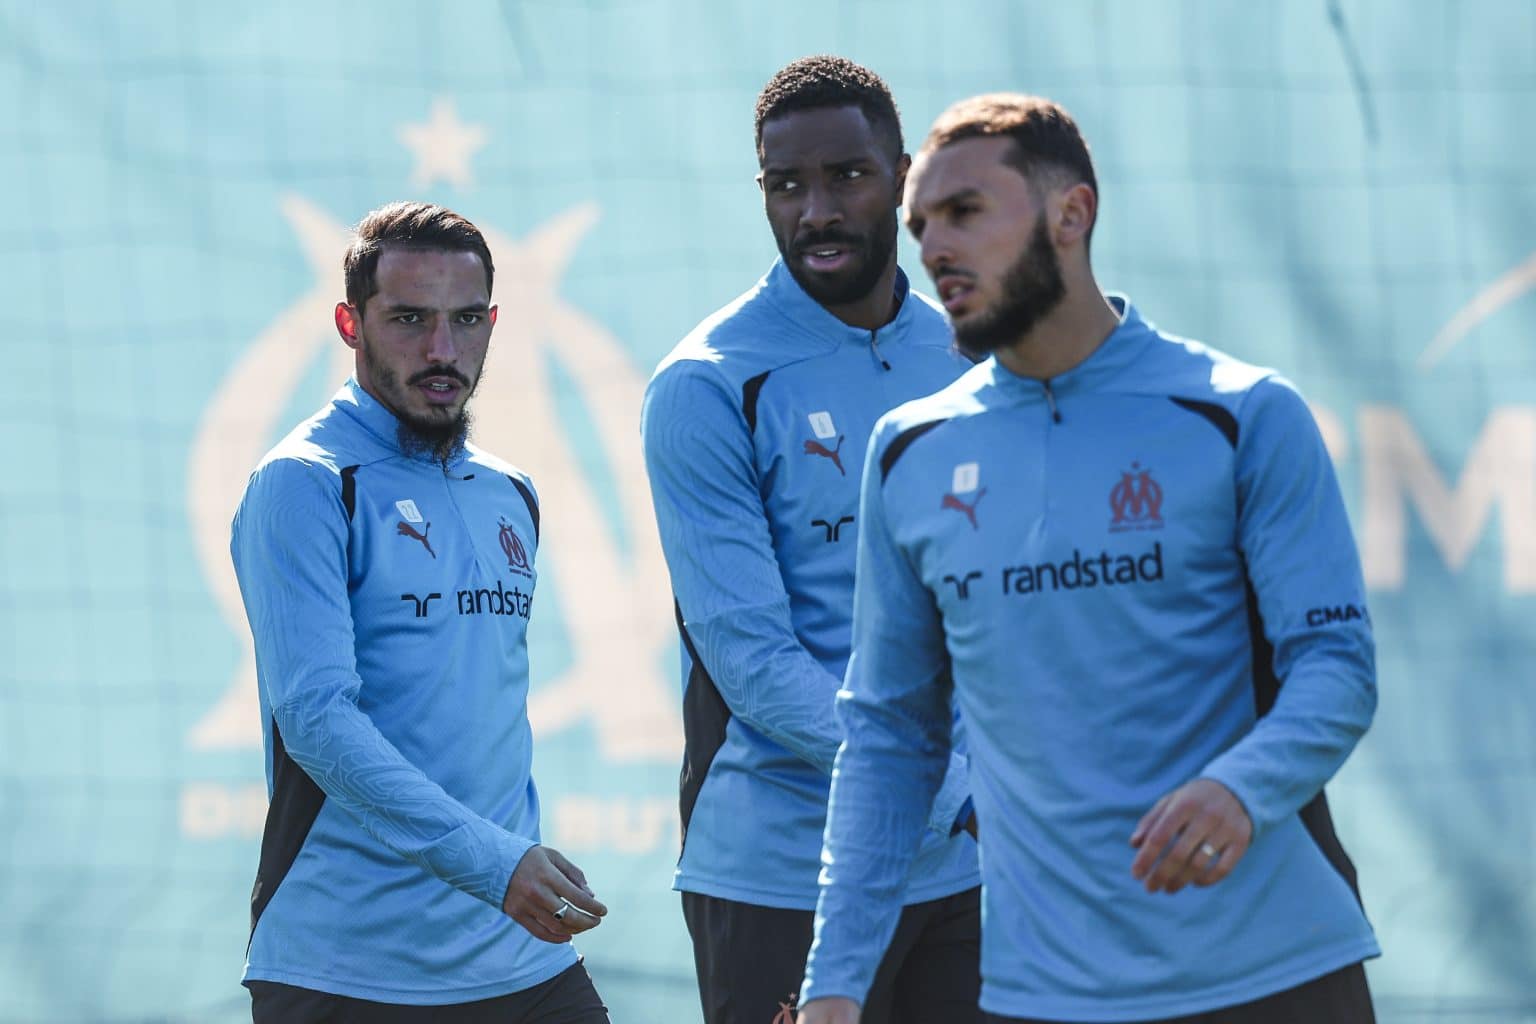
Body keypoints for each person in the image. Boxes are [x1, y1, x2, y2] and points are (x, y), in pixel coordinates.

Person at [798, 94, 1380, 1024]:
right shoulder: (907, 452)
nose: (935, 247)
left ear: (1072, 213)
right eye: (921, 225)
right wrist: (834, 982)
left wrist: (1241, 787)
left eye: (965, 212)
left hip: (1272, 977)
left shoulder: (1242, 413)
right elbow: (889, 739)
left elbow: (1336, 668)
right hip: (1044, 995)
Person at [641, 56, 983, 1024]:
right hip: (785, 874)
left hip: (967, 869)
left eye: (847, 176)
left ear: (904, 180)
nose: (816, 211)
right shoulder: (709, 382)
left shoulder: (971, 357)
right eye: (786, 185)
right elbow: (752, 663)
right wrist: (952, 787)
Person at [230, 201, 610, 1023]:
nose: (442, 350)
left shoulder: (510, 491)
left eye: (465, 319)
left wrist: (504, 874)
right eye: (409, 319)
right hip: (349, 975)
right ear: (350, 324)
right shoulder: (304, 482)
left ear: (492, 324)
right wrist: (494, 863)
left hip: (525, 961)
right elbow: (317, 720)